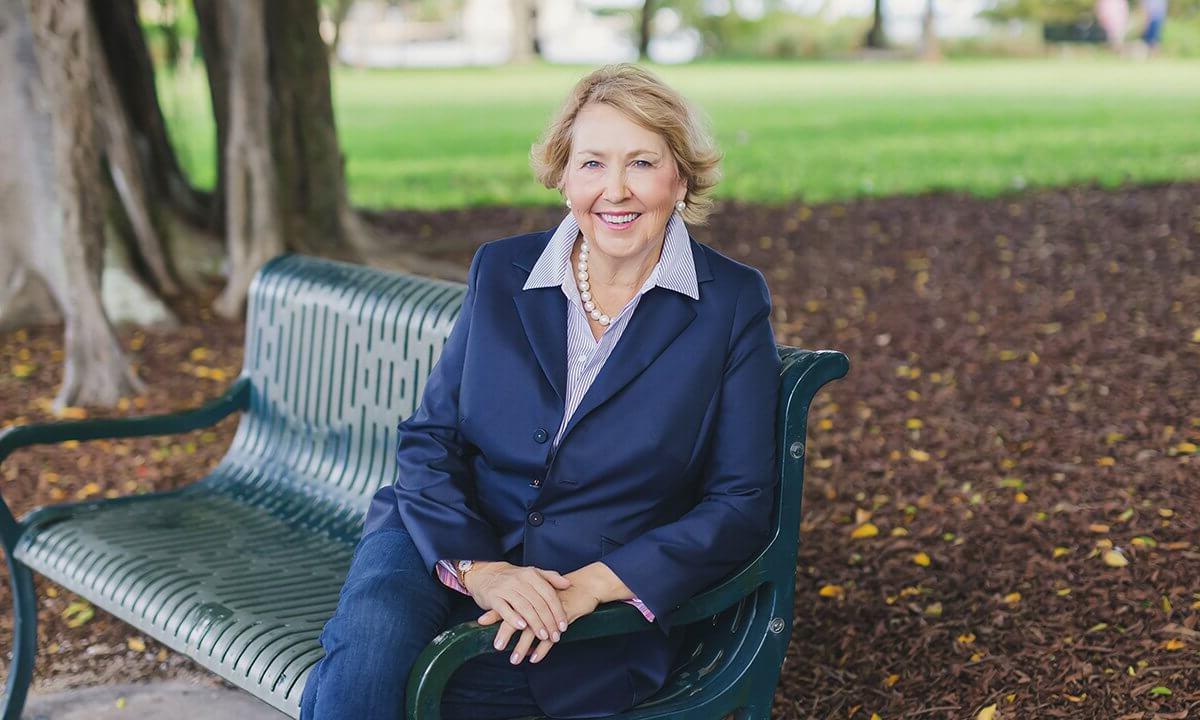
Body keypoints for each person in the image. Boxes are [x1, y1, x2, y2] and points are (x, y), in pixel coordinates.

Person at [299, 63, 780, 719]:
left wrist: (591, 588)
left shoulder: (729, 303)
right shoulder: (501, 270)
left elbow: (741, 501)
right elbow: (432, 438)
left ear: (681, 176)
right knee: (369, 653)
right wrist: (479, 569)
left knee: (414, 691)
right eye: (591, 164)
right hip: (443, 537)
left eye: (642, 162)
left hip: (578, 591)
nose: (615, 190)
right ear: (562, 176)